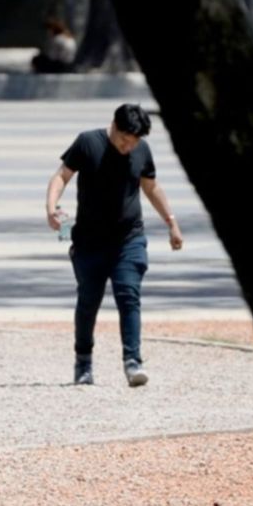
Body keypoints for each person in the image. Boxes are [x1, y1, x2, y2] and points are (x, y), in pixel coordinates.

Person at [45, 104, 185, 387]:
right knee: (88, 301)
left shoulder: (141, 151)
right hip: (89, 241)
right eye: (124, 140)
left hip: (129, 239)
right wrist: (51, 208)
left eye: (133, 142)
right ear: (114, 126)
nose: (127, 147)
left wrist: (171, 222)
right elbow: (62, 175)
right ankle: (83, 362)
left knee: (128, 295)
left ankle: (133, 362)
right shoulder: (87, 142)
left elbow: (151, 187)